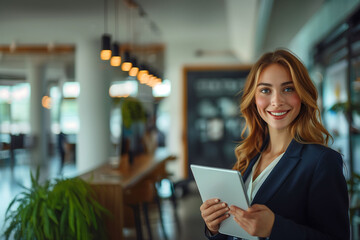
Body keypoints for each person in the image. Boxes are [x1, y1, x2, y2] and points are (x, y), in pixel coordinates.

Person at [200, 49, 350, 240]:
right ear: (254, 99)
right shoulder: (251, 155)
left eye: (288, 89)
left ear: (302, 95)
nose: (277, 101)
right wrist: (214, 227)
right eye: (265, 90)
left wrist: (274, 228)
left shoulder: (322, 161)